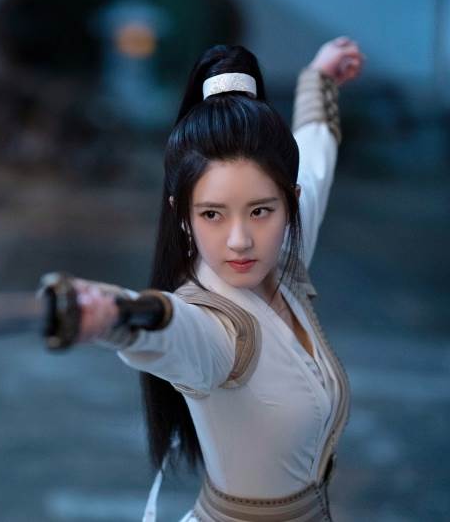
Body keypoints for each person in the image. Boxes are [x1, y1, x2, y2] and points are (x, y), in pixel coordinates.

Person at [39, 37, 365, 521]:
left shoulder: (283, 262)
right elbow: (172, 330)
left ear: (289, 204)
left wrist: (319, 80)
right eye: (212, 214)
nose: (240, 241)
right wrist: (111, 314)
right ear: (183, 216)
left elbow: (315, 163)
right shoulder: (214, 324)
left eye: (260, 211)